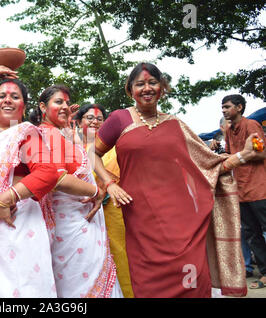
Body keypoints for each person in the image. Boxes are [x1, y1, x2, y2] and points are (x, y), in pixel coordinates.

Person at [93, 62, 265, 298]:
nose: (147, 88)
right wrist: (110, 183)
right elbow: (93, 154)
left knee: (193, 281)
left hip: (183, 220)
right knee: (148, 284)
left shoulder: (176, 125)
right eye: (140, 84)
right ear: (129, 89)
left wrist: (243, 156)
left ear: (162, 88)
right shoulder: (119, 119)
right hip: (140, 217)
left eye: (153, 82)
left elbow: (209, 165)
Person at [0, 66, 105, 298]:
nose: (7, 101)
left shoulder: (27, 133)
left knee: (13, 288)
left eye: (15, 96)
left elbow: (48, 173)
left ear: (24, 104)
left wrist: (6, 198)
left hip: (15, 220)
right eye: (1, 96)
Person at [31, 85, 123, 298]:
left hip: (82, 221)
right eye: (58, 102)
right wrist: (96, 192)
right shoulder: (45, 134)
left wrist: (66, 124)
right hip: (70, 226)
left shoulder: (58, 134)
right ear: (43, 106)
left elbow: (83, 152)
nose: (64, 106)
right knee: (79, 286)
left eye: (66, 102)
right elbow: (57, 179)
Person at [74, 103, 134, 298]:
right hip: (80, 216)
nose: (95, 122)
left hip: (113, 213)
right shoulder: (70, 148)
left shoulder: (115, 148)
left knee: (120, 256)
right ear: (79, 122)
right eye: (89, 118)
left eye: (100, 119)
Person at [222, 94, 266, 289]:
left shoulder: (252, 126)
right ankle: (265, 273)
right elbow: (231, 157)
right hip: (240, 190)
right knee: (250, 234)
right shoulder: (228, 131)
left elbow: (261, 153)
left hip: (259, 188)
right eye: (222, 107)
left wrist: (239, 156)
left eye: (227, 107)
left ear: (239, 107)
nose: (223, 110)